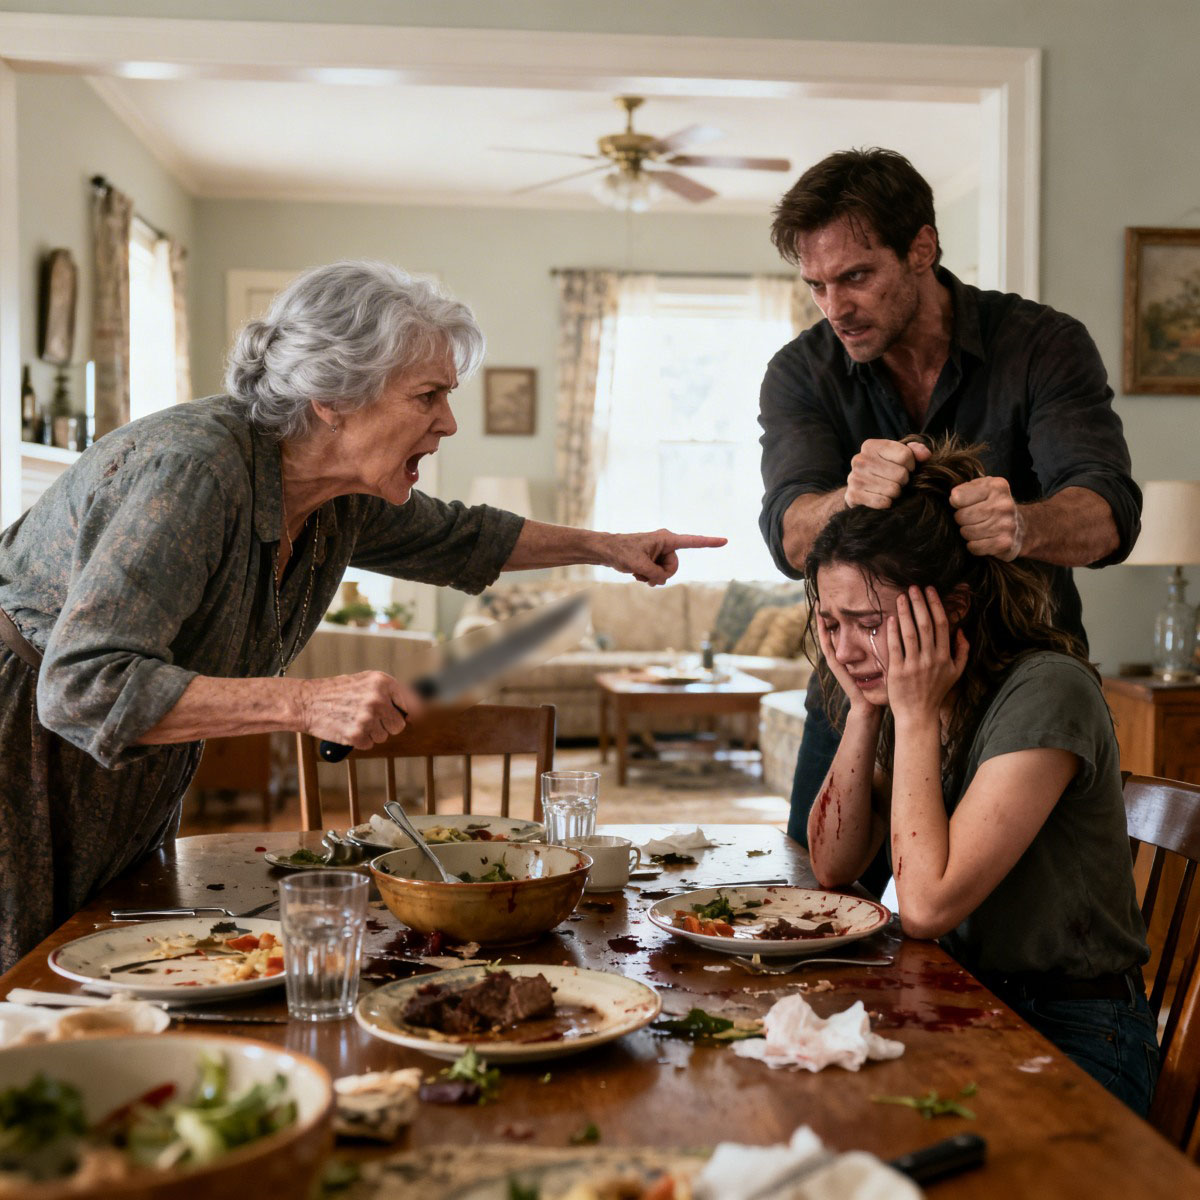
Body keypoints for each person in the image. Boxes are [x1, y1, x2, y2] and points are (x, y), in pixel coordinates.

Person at [0, 260, 725, 972]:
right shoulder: (193, 470)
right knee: (23, 982)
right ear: (332, 397)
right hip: (20, 747)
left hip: (122, 767)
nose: (448, 422)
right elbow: (82, 686)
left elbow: (465, 535)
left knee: (100, 975)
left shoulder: (334, 496)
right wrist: (308, 701)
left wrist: (609, 547)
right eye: (428, 396)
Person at [757, 148, 1141, 878]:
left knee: (990, 910)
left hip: (1011, 673)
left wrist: (1026, 524)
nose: (835, 307)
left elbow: (1111, 512)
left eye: (856, 277)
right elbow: (788, 534)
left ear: (922, 248)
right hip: (862, 675)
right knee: (820, 897)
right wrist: (846, 495)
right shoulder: (800, 373)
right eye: (816, 286)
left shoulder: (1041, 344)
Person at [806, 436, 1159, 1115]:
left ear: (955, 607)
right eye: (830, 623)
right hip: (960, 997)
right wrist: (862, 706)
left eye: (869, 623)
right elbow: (834, 862)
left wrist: (909, 715)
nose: (846, 649)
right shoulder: (917, 689)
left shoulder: (1047, 691)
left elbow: (929, 905)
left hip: (1072, 1030)